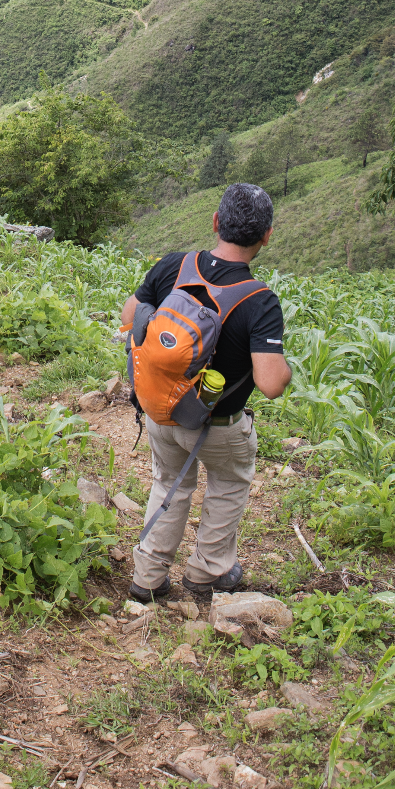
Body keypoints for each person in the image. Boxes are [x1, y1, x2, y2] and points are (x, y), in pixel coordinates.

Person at [121, 182, 291, 604]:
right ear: (267, 236)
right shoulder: (260, 301)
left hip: (163, 411)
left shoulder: (175, 266)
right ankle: (207, 573)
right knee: (228, 486)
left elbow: (129, 317)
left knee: (168, 485)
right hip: (218, 425)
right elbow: (271, 384)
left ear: (215, 223)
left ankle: (148, 576)